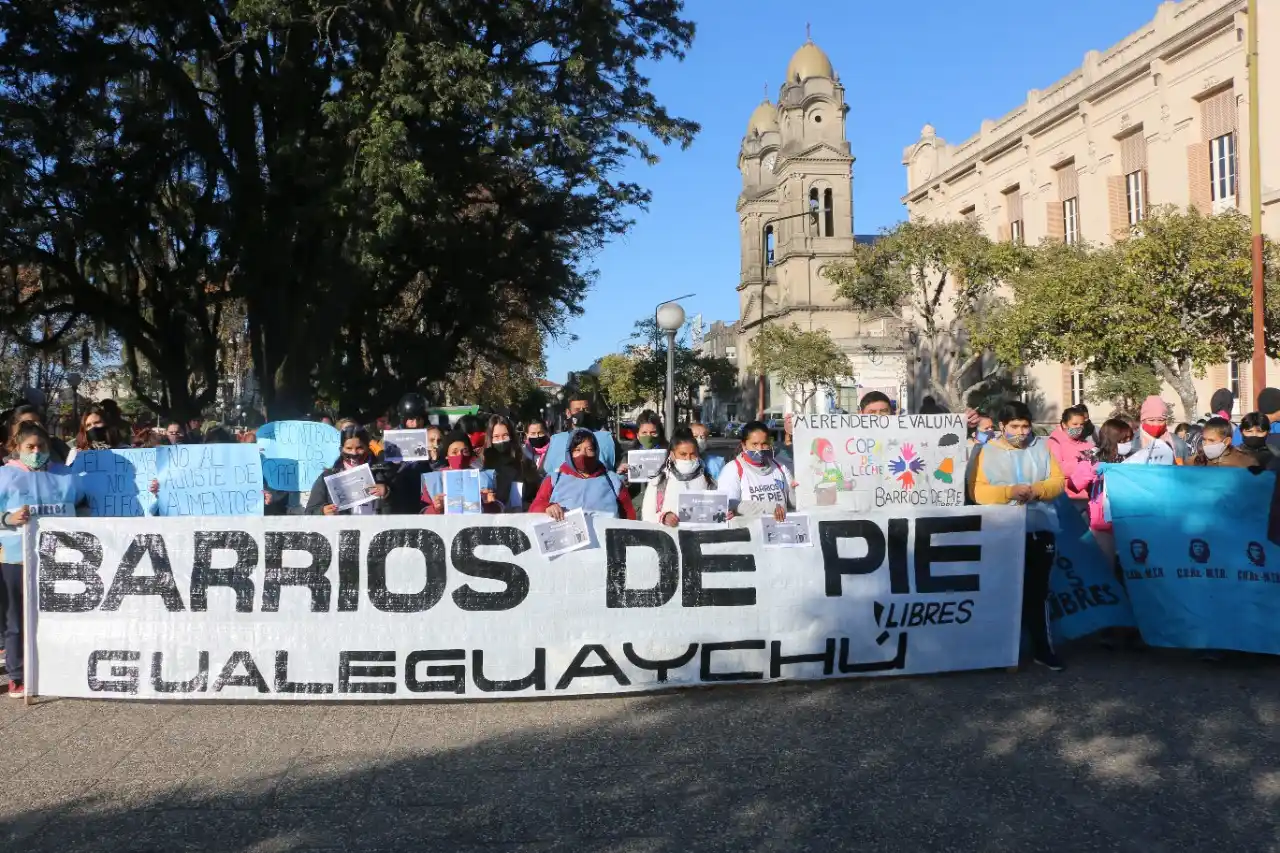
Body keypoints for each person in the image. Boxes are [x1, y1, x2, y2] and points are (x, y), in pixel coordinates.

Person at [971, 400, 1066, 671]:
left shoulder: (1043, 446)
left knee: (1038, 592)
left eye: (1025, 426)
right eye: (1015, 426)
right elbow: (976, 491)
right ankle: (1002, 652)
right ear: (1002, 426)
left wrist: (1038, 489)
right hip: (1001, 531)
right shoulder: (984, 452)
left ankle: (1042, 649)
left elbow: (1058, 481)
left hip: (1039, 529)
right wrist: (1008, 493)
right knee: (1002, 591)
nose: (1021, 432)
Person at [1069, 418, 1135, 567]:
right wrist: (1092, 471)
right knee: (1105, 566)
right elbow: (1074, 485)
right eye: (1124, 439)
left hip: (1128, 521)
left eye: (1130, 439)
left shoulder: (1133, 458)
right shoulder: (1092, 457)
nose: (1128, 443)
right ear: (1112, 438)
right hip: (1102, 524)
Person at [529, 429, 636, 519]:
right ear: (569, 453)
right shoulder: (554, 479)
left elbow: (629, 516)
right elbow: (536, 507)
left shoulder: (613, 481)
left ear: (596, 451)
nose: (583, 454)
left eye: (589, 449)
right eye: (577, 450)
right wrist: (547, 507)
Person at [305, 425, 391, 516]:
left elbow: (402, 506)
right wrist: (323, 512)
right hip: (342, 528)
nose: (354, 453)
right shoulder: (328, 476)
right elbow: (309, 512)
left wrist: (387, 492)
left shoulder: (382, 472)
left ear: (367, 448)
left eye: (359, 448)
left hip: (376, 528)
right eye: (349, 448)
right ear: (341, 449)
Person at [716, 421, 794, 521]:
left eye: (764, 444)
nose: (760, 448)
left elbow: (792, 503)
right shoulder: (733, 469)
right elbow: (730, 504)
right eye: (754, 444)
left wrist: (795, 490)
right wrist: (771, 508)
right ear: (744, 445)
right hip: (750, 531)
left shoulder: (780, 466)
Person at [641, 428, 718, 526]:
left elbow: (718, 511)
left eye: (692, 454)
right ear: (672, 455)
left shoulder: (708, 480)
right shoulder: (659, 481)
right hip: (669, 539)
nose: (688, 459)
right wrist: (663, 518)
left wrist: (726, 513)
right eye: (683, 454)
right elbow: (647, 516)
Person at [421, 432, 506, 514]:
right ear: (447, 455)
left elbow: (499, 512)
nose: (460, 456)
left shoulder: (485, 477)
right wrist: (435, 508)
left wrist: (489, 504)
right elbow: (422, 515)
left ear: (470, 454)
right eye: (454, 452)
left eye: (465, 451)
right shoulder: (434, 480)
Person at [542, 397, 620, 476]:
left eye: (585, 409)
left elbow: (619, 465)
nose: (582, 413)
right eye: (577, 410)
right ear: (568, 413)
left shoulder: (607, 438)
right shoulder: (556, 440)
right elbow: (544, 471)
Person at [388, 393, 436, 514]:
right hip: (400, 496)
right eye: (410, 419)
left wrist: (435, 458)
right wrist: (392, 464)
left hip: (426, 494)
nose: (414, 424)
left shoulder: (433, 435)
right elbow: (384, 473)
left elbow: (443, 468)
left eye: (418, 419)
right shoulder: (391, 439)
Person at [481, 415, 538, 511]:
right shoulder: (483, 465)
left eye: (505, 435)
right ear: (490, 439)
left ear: (511, 436)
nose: (501, 440)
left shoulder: (524, 463)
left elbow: (534, 494)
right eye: (496, 437)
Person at [1047, 405, 1094, 501]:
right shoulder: (1055, 442)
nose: (1079, 427)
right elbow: (1056, 468)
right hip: (1067, 497)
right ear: (1064, 424)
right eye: (1075, 424)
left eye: (1081, 424)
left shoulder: (1086, 444)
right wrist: (1082, 465)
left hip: (1088, 495)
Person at [1128, 396, 1190, 465]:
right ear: (1143, 420)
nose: (1156, 424)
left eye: (1161, 420)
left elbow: (1186, 470)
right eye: (1151, 420)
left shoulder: (1178, 443)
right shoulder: (1130, 442)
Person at [65, 406, 130, 465]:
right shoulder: (76, 453)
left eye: (97, 423)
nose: (93, 427)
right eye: (88, 425)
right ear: (84, 430)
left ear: (106, 424)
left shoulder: (124, 450)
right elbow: (69, 475)